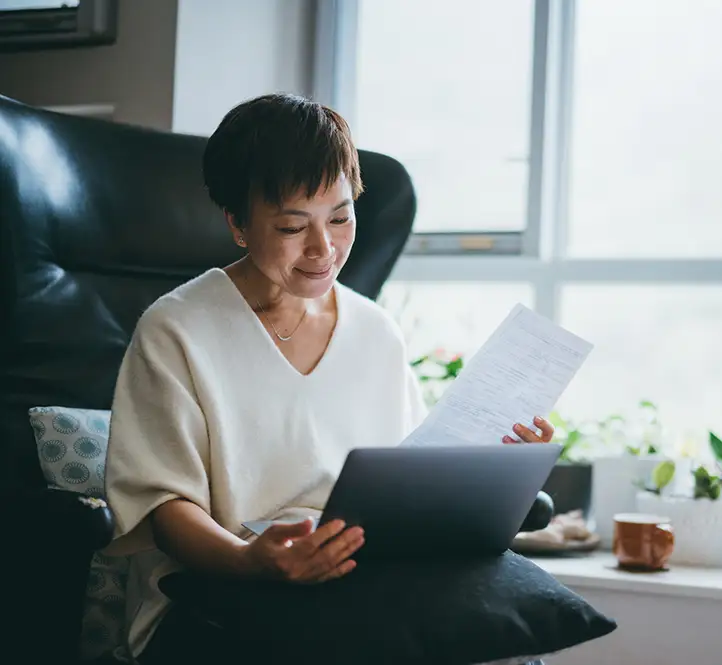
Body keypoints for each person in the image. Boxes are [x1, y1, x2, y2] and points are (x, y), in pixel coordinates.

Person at [102, 93, 555, 664]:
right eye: (293, 226)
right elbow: (163, 508)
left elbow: (412, 483)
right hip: (219, 593)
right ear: (238, 224)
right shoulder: (176, 330)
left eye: (340, 217)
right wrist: (251, 560)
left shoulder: (376, 332)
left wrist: (498, 465)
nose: (324, 248)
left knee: (508, 639)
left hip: (369, 582)